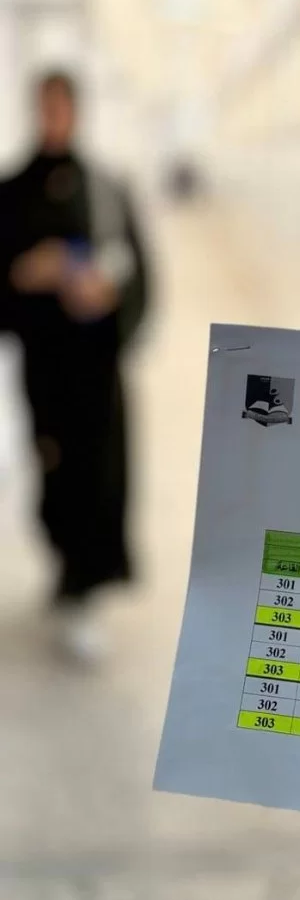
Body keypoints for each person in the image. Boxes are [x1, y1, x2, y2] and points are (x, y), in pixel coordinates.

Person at [0, 70, 150, 659]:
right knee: (55, 475)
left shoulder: (107, 189)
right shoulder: (12, 193)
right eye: (47, 108)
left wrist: (107, 296)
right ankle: (66, 569)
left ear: (77, 111)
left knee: (102, 479)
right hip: (46, 369)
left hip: (99, 368)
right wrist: (24, 275)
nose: (55, 118)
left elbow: (139, 274)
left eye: (63, 108)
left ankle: (85, 588)